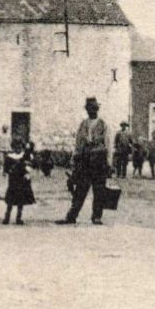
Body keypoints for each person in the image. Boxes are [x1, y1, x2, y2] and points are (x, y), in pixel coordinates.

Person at [58, 96, 112, 225]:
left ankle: (97, 216)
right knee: (80, 190)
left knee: (99, 190)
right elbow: (78, 144)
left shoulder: (104, 125)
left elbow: (108, 145)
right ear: (87, 110)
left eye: (93, 109)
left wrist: (109, 163)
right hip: (84, 161)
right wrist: (73, 160)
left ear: (97, 109)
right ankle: (72, 216)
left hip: (99, 161)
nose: (91, 111)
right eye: (89, 109)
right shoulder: (83, 124)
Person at [2, 137, 36, 224]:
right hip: (13, 180)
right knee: (10, 200)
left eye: (19, 147)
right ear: (12, 147)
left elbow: (30, 166)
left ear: (22, 147)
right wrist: (7, 171)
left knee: (21, 200)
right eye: (15, 147)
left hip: (22, 181)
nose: (17, 149)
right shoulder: (9, 157)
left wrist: (27, 173)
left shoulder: (25, 156)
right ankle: (7, 217)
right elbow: (6, 168)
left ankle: (18, 218)